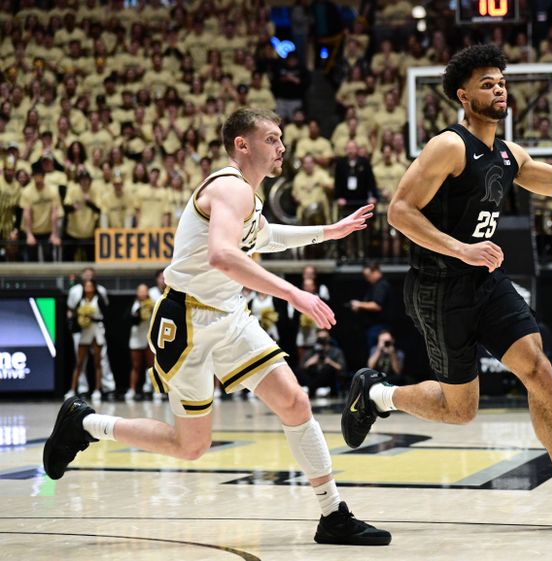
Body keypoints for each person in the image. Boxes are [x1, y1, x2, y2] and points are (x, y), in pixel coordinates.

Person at [341, 44, 552, 532]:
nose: (499, 88)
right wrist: (460, 248)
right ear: (463, 96)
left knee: (539, 368)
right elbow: (399, 211)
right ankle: (377, 395)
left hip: (485, 280)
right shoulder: (448, 145)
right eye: (487, 83)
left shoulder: (509, 154)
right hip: (440, 287)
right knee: (460, 411)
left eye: (502, 81)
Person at [43, 108, 390, 546]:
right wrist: (295, 294)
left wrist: (330, 231)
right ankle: (86, 423)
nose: (282, 146)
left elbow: (267, 236)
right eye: (271, 138)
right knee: (191, 447)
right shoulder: (229, 188)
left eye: (281, 138)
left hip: (229, 316)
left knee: (295, 403)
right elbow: (223, 256)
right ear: (242, 145)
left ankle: (333, 514)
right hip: (186, 322)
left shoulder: (249, 196)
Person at [66, 267, 116, 398]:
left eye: (90, 275)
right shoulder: (75, 291)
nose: (88, 277)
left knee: (101, 358)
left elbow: (106, 311)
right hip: (82, 330)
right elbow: (71, 310)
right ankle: (81, 388)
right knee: (80, 360)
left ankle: (106, 387)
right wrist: (77, 322)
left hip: (97, 328)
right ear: (81, 276)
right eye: (85, 274)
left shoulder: (101, 291)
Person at [350, 262, 393, 352]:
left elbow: (377, 305)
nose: (367, 279)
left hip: (379, 327)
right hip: (374, 326)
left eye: (368, 275)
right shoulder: (375, 285)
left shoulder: (381, 285)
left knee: (378, 352)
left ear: (375, 272)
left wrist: (359, 304)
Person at [127, 283, 155, 401]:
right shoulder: (133, 304)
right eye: (140, 291)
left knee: (151, 365)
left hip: (148, 336)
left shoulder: (153, 303)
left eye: (145, 291)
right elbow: (130, 319)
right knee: (136, 366)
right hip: (136, 337)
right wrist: (139, 311)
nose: (142, 293)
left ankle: (155, 390)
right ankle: (132, 390)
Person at [302, 328, 346, 397]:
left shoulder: (336, 351)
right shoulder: (310, 352)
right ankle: (313, 388)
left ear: (329, 338)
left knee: (328, 369)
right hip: (313, 377)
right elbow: (302, 367)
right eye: (320, 338)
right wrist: (310, 362)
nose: (322, 340)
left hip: (330, 380)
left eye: (324, 338)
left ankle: (311, 388)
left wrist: (330, 362)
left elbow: (342, 367)